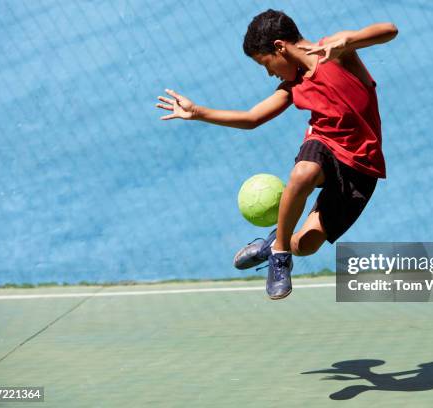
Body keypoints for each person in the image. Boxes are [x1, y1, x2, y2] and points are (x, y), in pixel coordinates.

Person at [156, 9, 398, 300]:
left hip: (362, 166)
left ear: (280, 47)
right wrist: (198, 113)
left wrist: (350, 39)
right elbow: (252, 118)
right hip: (324, 146)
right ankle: (280, 258)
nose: (269, 72)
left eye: (265, 64)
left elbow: (390, 29)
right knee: (303, 172)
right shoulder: (293, 86)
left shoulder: (336, 50)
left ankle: (275, 243)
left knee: (307, 244)